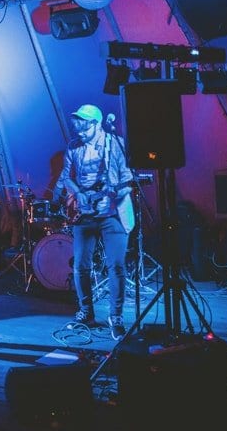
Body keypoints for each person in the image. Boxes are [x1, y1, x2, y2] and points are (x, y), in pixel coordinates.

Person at [58, 104, 134, 340]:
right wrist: (78, 193)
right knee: (80, 264)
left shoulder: (115, 143)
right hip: (84, 213)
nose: (79, 130)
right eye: (77, 125)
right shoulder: (74, 147)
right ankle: (86, 311)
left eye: (84, 125)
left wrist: (114, 194)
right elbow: (65, 178)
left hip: (112, 214)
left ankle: (116, 316)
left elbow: (128, 179)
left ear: (96, 123)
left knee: (117, 266)